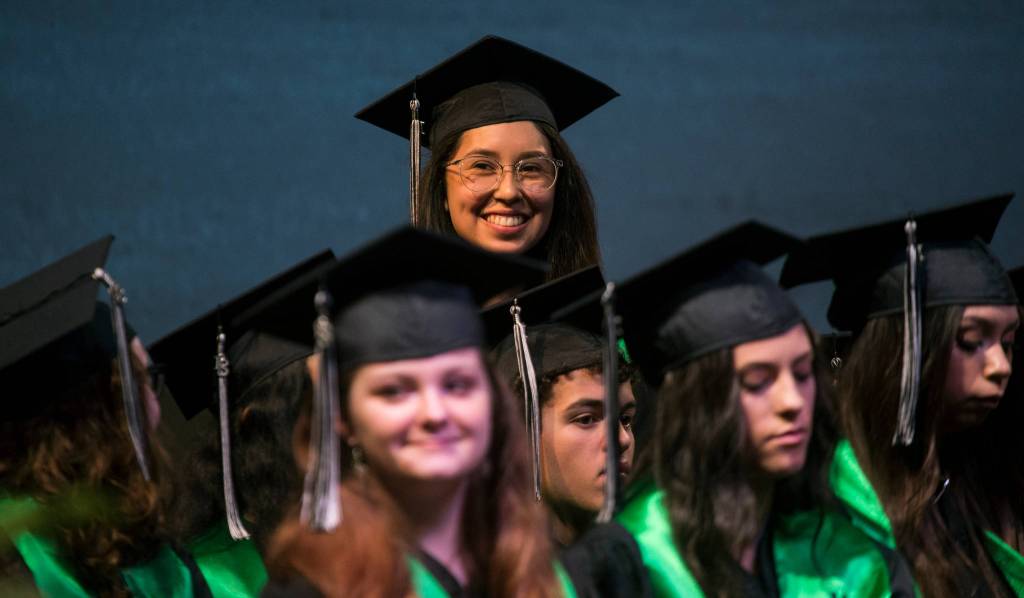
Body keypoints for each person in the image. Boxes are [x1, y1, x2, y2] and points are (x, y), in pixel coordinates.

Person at [565, 222, 913, 597]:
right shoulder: (625, 561)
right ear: (699, 401)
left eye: (801, 373)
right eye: (757, 382)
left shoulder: (848, 555)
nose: (792, 402)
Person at [261, 227, 575, 597]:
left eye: (458, 385)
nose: (434, 413)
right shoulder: (313, 589)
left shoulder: (536, 567)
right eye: (394, 391)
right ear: (343, 419)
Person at [780, 194, 1023, 596]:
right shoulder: (827, 502)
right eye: (971, 340)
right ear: (904, 352)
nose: (1000, 365)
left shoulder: (969, 492)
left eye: (1009, 342)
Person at [0, 236, 212, 597]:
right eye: (146, 380)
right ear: (108, 411)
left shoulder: (152, 551)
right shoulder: (19, 559)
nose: (157, 407)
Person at [151, 250, 335, 598]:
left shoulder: (379, 527)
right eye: (312, 417)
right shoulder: (204, 576)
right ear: (255, 425)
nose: (341, 430)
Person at [355, 35, 617, 279]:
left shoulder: (599, 323)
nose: (509, 191)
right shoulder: (399, 326)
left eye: (531, 168)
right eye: (481, 166)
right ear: (441, 187)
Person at [483, 266, 638, 545]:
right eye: (587, 419)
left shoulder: (648, 568)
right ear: (518, 434)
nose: (622, 439)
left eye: (625, 419)